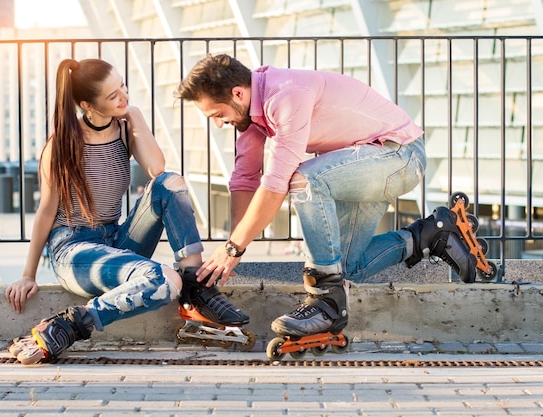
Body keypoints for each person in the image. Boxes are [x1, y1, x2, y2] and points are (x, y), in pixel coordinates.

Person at [174, 54, 476, 339]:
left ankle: (326, 303)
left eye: (217, 114)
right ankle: (430, 236)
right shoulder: (252, 116)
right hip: (362, 162)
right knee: (346, 266)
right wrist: (233, 250)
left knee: (304, 178)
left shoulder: (286, 96)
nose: (217, 123)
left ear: (238, 94)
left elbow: (276, 182)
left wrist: (233, 248)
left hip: (398, 156)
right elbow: (245, 179)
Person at [5, 58, 248, 362]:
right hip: (74, 250)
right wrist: (28, 274)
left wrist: (135, 118)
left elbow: (157, 169)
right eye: (113, 96)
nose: (124, 96)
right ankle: (69, 324)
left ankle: (196, 288)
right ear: (87, 105)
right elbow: (45, 211)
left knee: (170, 182)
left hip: (116, 239)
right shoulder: (62, 145)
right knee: (163, 280)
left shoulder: (124, 130)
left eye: (122, 85)